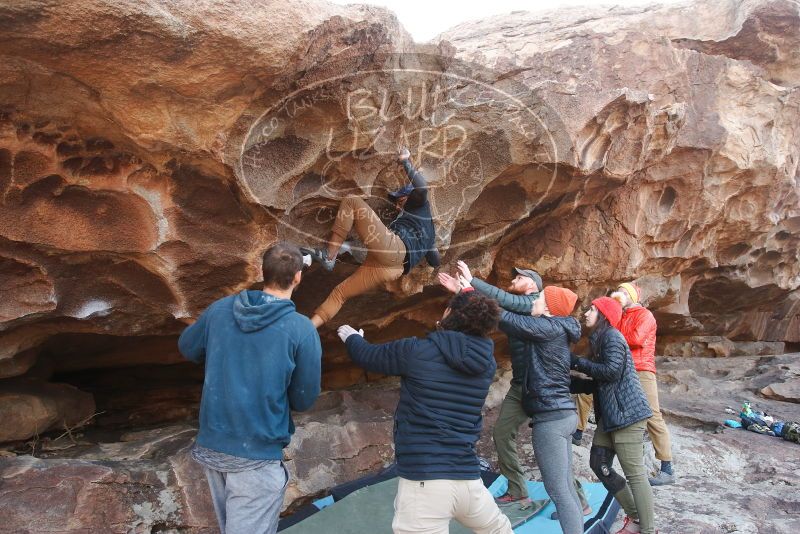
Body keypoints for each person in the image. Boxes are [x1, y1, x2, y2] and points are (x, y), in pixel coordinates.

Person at [337, 289, 513, 534]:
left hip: (425, 481)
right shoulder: (487, 364)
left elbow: (369, 356)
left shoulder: (417, 350)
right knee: (499, 530)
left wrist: (352, 338)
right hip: (468, 480)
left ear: (449, 313)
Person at [178, 242, 322, 534]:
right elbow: (304, 399)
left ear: (261, 271)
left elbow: (187, 347)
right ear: (297, 278)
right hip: (256, 456)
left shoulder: (221, 310)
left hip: (213, 446)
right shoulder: (301, 329)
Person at [438, 261, 542, 505]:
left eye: (520, 276)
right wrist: (462, 294)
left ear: (533, 283)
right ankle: (517, 489)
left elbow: (505, 302)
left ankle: (578, 496)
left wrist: (471, 283)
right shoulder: (520, 309)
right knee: (502, 433)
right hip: (520, 385)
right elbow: (493, 310)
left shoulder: (535, 302)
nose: (514, 278)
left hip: (540, 386)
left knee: (549, 448)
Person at [304, 147, 440, 327]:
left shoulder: (419, 205)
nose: (398, 207)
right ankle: (308, 329)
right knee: (340, 293)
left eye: (400, 201)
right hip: (391, 270)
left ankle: (329, 256)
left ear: (410, 197)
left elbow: (421, 189)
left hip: (393, 250)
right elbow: (435, 261)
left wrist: (405, 161)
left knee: (352, 201)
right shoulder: (429, 235)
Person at [493, 286, 586, 534]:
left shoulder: (548, 328)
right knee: (565, 487)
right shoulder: (559, 330)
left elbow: (507, 318)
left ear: (547, 308)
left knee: (559, 491)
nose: (535, 301)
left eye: (540, 298)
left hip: (551, 421)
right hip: (564, 415)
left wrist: (470, 288)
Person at [570, 297, 655, 534]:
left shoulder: (612, 337)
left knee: (635, 475)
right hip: (611, 417)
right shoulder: (598, 339)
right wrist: (570, 383)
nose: (586, 313)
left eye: (592, 309)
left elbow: (611, 371)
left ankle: (648, 530)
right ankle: (635, 517)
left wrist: (577, 363)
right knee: (599, 464)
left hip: (627, 416)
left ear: (604, 315)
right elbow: (599, 383)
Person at [611, 282, 674, 486]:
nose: (619, 294)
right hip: (622, 369)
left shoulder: (645, 315)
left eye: (623, 292)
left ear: (632, 296)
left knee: (652, 414)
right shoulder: (619, 315)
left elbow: (637, 338)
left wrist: (612, 334)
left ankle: (667, 468)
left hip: (641, 369)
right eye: (617, 291)